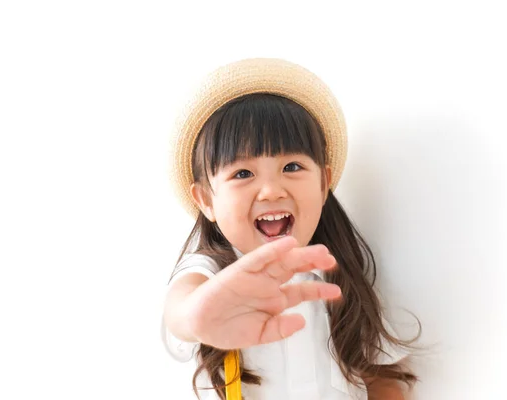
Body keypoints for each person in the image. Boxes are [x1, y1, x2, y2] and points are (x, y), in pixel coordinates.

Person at [162, 58, 420, 400]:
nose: (272, 190)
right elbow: (181, 309)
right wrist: (196, 316)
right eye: (243, 174)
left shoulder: (341, 277)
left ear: (324, 182)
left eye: (292, 166)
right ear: (206, 200)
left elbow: (380, 376)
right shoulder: (209, 272)